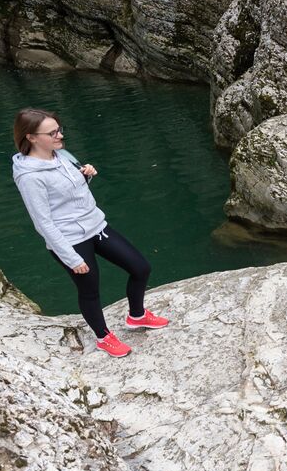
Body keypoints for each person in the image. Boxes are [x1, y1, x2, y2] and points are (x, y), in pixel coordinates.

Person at [11, 108, 169, 357]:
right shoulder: (30, 177)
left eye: (60, 129)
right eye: (52, 132)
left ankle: (137, 316)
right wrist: (71, 258)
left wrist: (86, 175)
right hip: (70, 240)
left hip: (96, 226)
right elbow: (43, 222)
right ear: (31, 137)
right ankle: (103, 337)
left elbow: (71, 192)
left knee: (140, 267)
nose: (60, 135)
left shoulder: (61, 155)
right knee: (90, 290)